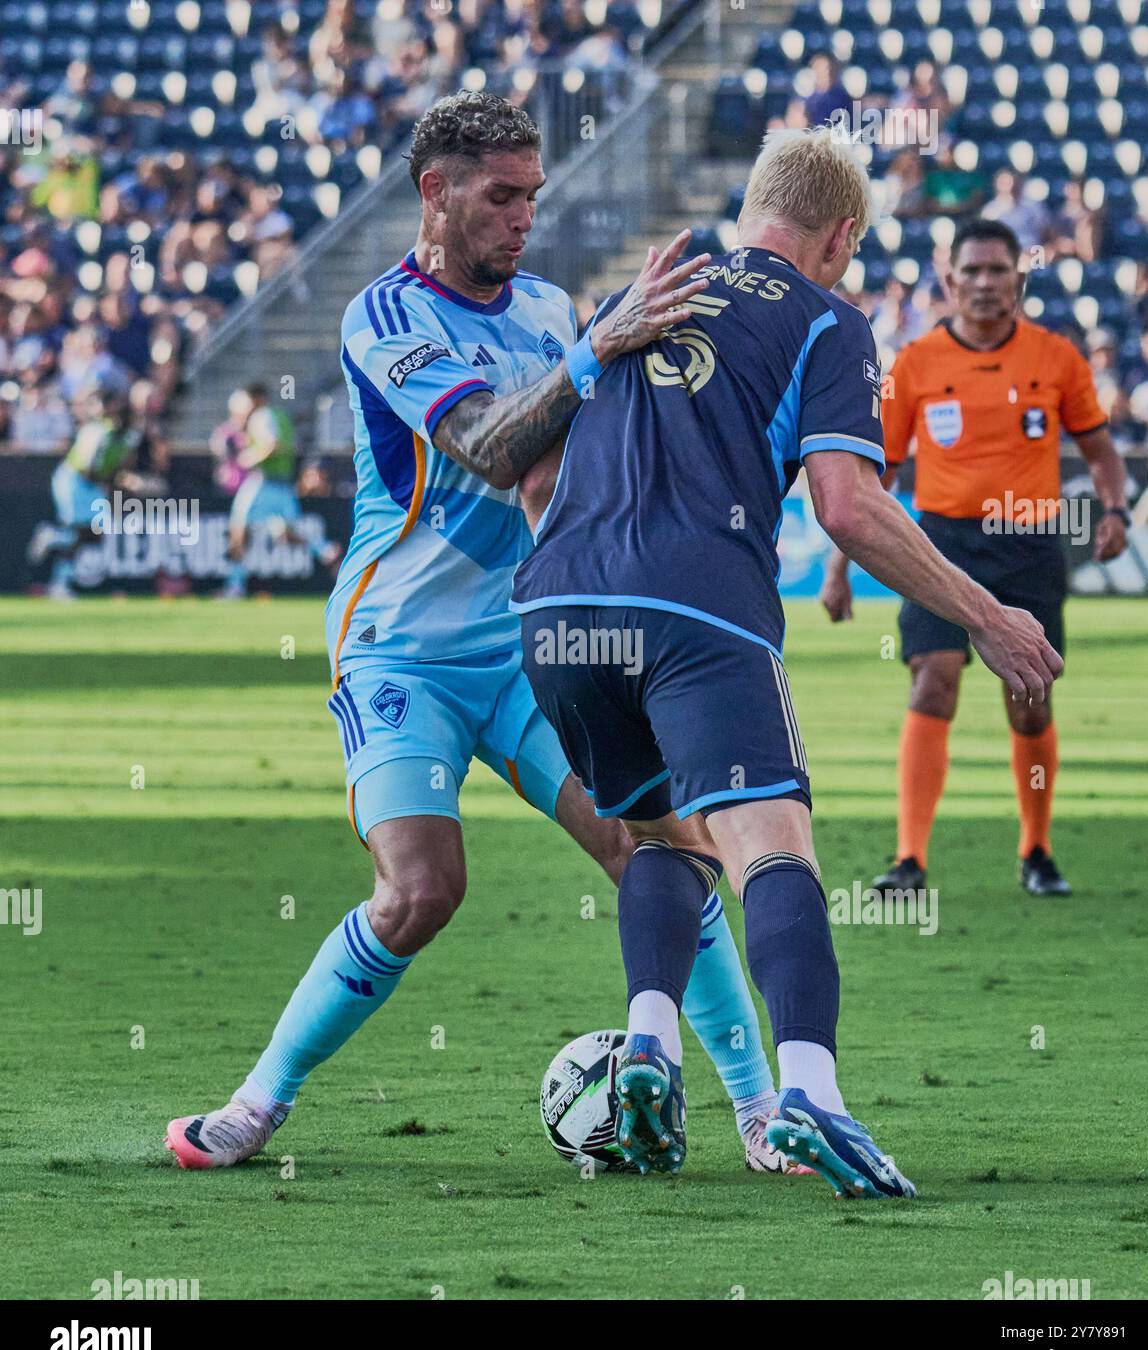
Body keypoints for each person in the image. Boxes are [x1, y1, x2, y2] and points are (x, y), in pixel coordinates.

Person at [166, 91, 794, 1175]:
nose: (521, 219)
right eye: (500, 198)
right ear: (435, 193)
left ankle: (757, 1109)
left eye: (531, 197)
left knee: (657, 848)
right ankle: (255, 1105)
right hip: (402, 647)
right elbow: (490, 448)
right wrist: (598, 353)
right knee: (421, 889)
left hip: (525, 650)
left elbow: (577, 461)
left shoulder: (550, 311)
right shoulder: (387, 317)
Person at [511, 127, 1063, 1196]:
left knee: (660, 833)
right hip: (695, 602)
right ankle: (809, 1089)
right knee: (772, 847)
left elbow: (534, 475)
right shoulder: (825, 319)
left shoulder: (646, 294)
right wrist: (986, 614)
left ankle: (650, 1056)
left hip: (559, 607)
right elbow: (848, 505)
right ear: (839, 235)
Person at [821, 219, 1130, 897]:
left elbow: (1102, 451)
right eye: (973, 271)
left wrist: (1113, 509)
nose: (986, 284)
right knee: (932, 679)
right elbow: (877, 475)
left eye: (998, 271)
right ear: (948, 280)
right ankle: (908, 859)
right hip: (941, 545)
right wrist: (840, 565)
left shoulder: (1057, 358)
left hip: (1028, 546)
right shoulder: (915, 365)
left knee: (1029, 697)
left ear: (1019, 280)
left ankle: (1036, 849)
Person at [220, 383, 341, 599]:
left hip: (264, 483)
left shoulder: (261, 416)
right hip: (284, 484)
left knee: (238, 528)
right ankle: (326, 549)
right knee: (287, 535)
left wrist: (247, 459)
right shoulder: (281, 416)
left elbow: (272, 445)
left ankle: (235, 586)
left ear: (256, 399)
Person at [27, 388, 140, 599]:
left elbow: (115, 467)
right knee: (79, 532)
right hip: (74, 481)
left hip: (91, 485)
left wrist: (121, 479)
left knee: (92, 536)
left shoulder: (126, 439)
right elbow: (88, 469)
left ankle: (59, 572)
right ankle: (58, 574)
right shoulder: (98, 433)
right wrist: (114, 482)